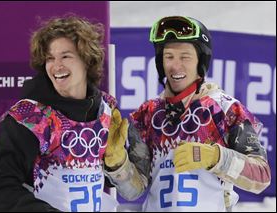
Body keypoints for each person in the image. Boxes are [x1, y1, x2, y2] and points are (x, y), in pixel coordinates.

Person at [105, 16, 271, 212]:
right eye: (168, 56)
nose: (175, 66)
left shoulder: (225, 109)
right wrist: (117, 164)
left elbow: (261, 177)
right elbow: (135, 189)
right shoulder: (146, 115)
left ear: (201, 61)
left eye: (185, 57)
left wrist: (215, 157)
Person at [0, 14, 127, 212]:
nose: (56, 65)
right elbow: (0, 190)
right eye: (50, 58)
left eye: (66, 56)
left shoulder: (107, 110)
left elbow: (133, 188)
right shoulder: (29, 118)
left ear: (87, 60)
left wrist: (118, 166)